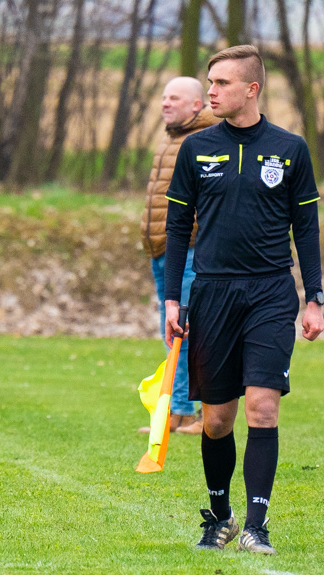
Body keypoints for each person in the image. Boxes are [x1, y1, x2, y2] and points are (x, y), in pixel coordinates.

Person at [163, 45, 324, 554]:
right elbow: (174, 227)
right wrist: (172, 299)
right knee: (216, 419)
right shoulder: (195, 149)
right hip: (211, 292)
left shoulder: (290, 148)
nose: (211, 91)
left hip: (271, 293)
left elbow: (308, 228)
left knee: (262, 408)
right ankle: (221, 516)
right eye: (209, 82)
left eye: (222, 84)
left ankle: (257, 525)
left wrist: (314, 297)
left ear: (251, 89)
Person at [139, 77, 219, 436]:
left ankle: (201, 412)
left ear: (196, 106)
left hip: (189, 252)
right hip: (163, 251)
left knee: (192, 332)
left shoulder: (203, 142)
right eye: (163, 97)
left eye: (175, 98)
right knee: (170, 333)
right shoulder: (170, 138)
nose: (165, 103)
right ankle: (179, 410)